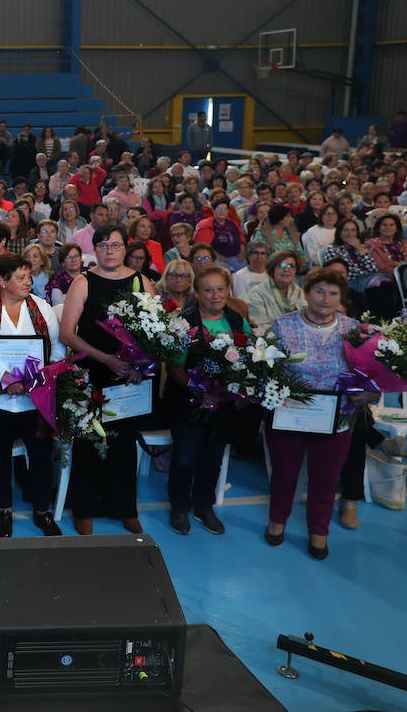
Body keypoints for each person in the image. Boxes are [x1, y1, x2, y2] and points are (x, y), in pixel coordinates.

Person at [267, 269, 375, 560]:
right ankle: (277, 521)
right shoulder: (282, 325)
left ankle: (319, 530)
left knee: (325, 479)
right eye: (319, 291)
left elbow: (372, 375)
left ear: (341, 298)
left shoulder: (355, 330)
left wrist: (370, 393)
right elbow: (266, 369)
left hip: (337, 418)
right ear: (306, 292)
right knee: (284, 474)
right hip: (290, 415)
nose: (325, 299)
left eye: (333, 293)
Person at [0, 254, 64, 538]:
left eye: (29, 276)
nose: (27, 282)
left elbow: (57, 348)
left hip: (35, 397)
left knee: (42, 455)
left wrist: (38, 374)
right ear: (2, 281)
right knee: (0, 455)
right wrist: (1, 376)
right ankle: (4, 509)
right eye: (20, 277)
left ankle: (42, 511)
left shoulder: (41, 308)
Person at [59, 224, 151, 535]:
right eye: (103, 245)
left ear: (126, 248)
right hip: (93, 372)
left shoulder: (142, 282)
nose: (109, 251)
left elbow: (155, 334)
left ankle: (124, 507)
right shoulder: (84, 282)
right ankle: (84, 508)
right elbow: (67, 334)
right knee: (89, 441)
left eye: (115, 245)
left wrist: (141, 365)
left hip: (130, 377)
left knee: (124, 444)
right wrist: (107, 358)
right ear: (94, 250)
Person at [164, 266, 252, 536]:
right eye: (208, 289)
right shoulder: (185, 321)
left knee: (212, 458)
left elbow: (248, 359)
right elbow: (175, 366)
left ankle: (204, 507)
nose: (215, 295)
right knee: (185, 457)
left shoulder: (238, 321)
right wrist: (198, 390)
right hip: (187, 404)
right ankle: (179, 507)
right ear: (197, 293)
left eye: (220, 289)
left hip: (222, 407)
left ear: (228, 290)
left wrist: (236, 391)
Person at [245, 250, 305, 333]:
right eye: (281, 265)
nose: (286, 269)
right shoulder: (257, 294)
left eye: (291, 266)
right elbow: (260, 327)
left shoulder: (301, 292)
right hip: (271, 341)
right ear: (272, 269)